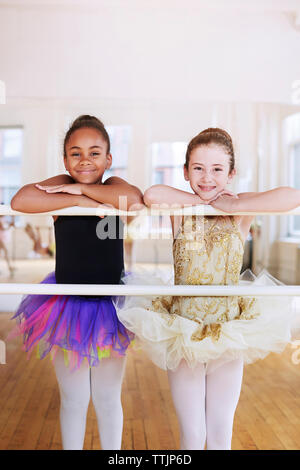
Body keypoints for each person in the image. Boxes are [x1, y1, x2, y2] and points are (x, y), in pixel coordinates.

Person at [115, 127, 300, 450]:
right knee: (193, 434)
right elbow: (153, 195)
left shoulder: (239, 211)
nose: (207, 177)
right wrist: (201, 201)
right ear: (185, 172)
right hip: (182, 329)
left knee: (220, 432)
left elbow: (292, 196)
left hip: (228, 328)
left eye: (217, 170)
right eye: (198, 168)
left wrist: (230, 204)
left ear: (231, 174)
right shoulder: (181, 212)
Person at [9, 115, 143, 450]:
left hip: (110, 307)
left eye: (95, 153)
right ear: (65, 159)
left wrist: (84, 190)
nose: (85, 160)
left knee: (108, 398)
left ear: (108, 159)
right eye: (75, 153)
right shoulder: (61, 184)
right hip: (65, 307)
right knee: (73, 399)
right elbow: (20, 200)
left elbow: (136, 201)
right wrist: (79, 200)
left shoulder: (114, 187)